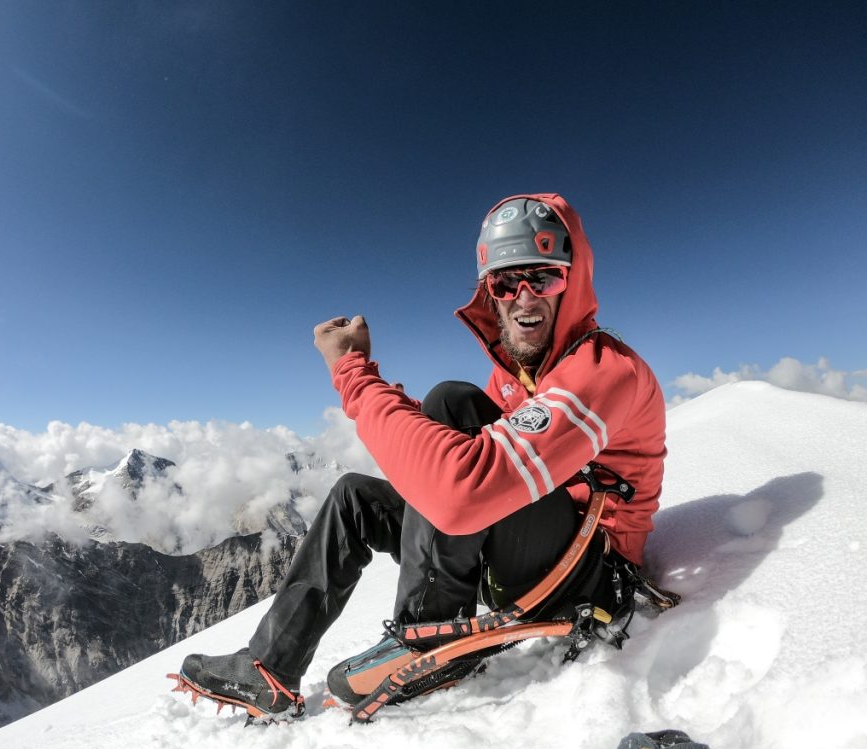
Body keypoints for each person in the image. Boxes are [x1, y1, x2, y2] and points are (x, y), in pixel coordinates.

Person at [177, 193, 666, 720]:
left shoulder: (604, 370)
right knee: (355, 498)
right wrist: (386, 388)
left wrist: (352, 373)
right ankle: (269, 669)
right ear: (490, 294)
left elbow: (463, 490)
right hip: (527, 553)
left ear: (573, 279)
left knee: (451, 402)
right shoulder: (515, 379)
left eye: (542, 278)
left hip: (587, 575)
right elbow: (464, 464)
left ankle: (425, 640)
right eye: (505, 283)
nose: (524, 299)